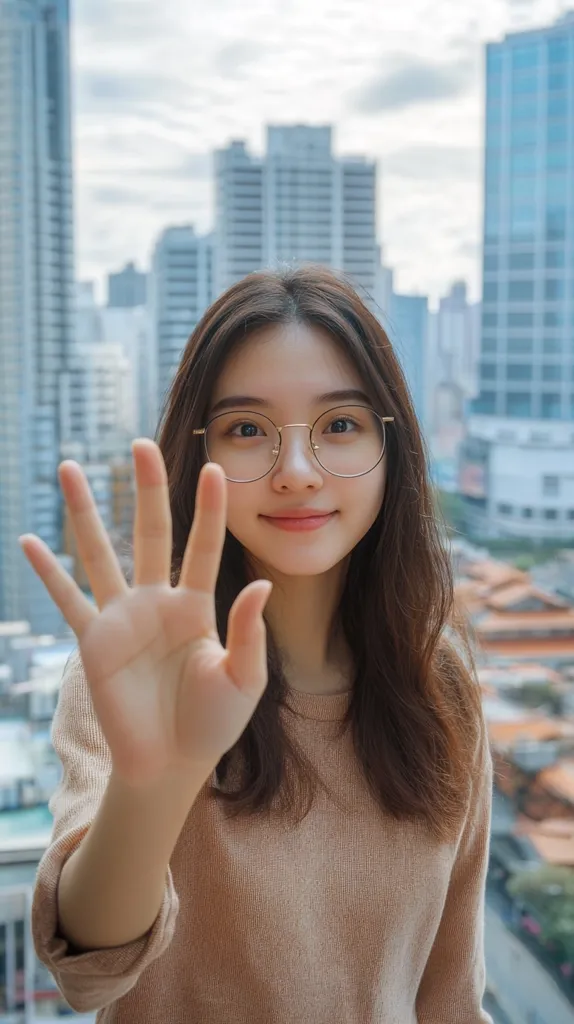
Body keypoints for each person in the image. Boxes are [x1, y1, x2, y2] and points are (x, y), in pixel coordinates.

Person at [22, 266, 494, 1023]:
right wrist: (159, 778)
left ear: (391, 444)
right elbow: (90, 970)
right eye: (248, 430)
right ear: (199, 451)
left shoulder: (436, 680)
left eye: (340, 424)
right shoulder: (149, 671)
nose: (297, 473)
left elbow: (451, 1001)